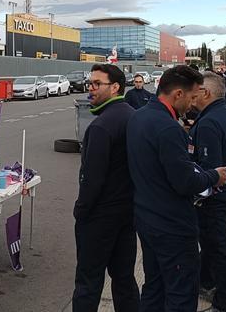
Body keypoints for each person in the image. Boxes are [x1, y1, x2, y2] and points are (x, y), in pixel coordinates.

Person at [127, 65, 226, 311]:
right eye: (192, 97)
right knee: (181, 294)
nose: (193, 104)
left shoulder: (139, 117)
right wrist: (213, 177)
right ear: (177, 94)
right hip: (172, 226)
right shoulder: (168, 128)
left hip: (147, 219)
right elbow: (185, 182)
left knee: (154, 287)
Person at [73, 64, 140, 311]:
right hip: (127, 213)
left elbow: (92, 179)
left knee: (88, 282)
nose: (91, 89)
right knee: (124, 279)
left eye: (96, 84)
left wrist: (81, 210)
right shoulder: (133, 115)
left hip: (99, 217)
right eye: (90, 83)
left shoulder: (101, 126)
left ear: (115, 87)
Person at [190, 72, 226, 312]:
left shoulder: (210, 122)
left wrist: (198, 194)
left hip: (214, 196)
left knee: (217, 248)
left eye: (196, 91)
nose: (192, 96)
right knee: (212, 245)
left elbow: (212, 167)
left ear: (207, 93)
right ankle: (205, 281)